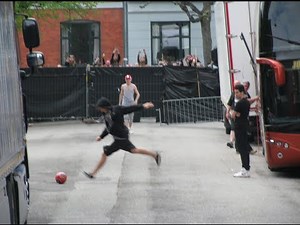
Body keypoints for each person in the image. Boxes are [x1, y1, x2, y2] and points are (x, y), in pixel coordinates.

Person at [83, 97, 161, 179]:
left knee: (133, 150)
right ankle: (154, 155)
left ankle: (155, 155)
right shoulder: (106, 114)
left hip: (121, 138)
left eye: (100, 108)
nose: (99, 110)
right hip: (118, 138)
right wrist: (101, 136)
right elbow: (108, 127)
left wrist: (143, 106)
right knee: (129, 151)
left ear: (105, 107)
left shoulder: (117, 110)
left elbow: (130, 109)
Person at [230, 84, 251, 177]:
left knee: (242, 148)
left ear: (242, 92)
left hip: (239, 127)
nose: (235, 94)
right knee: (245, 147)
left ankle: (244, 169)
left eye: (237, 92)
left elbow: (233, 115)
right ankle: (246, 167)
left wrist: (233, 112)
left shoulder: (239, 103)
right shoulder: (246, 102)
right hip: (244, 125)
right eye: (235, 93)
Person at [226, 80, 241, 151]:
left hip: (241, 115)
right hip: (234, 114)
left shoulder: (244, 94)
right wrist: (227, 112)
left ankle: (235, 145)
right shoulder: (233, 94)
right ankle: (232, 142)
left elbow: (248, 101)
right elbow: (229, 104)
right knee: (233, 128)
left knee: (237, 131)